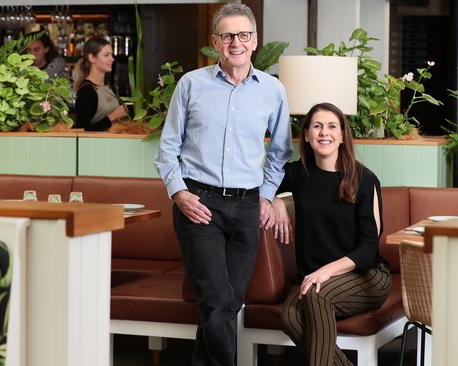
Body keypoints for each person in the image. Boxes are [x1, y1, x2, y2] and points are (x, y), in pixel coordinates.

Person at [153, 3, 292, 365]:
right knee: (216, 299)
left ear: (255, 41)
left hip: (246, 208)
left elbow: (280, 153)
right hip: (199, 205)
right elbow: (167, 148)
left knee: (228, 303)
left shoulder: (272, 91)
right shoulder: (191, 85)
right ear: (215, 41)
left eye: (243, 35)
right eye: (228, 35)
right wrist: (179, 193)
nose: (236, 42)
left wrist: (265, 197)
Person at [272, 102, 392, 366]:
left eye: (331, 126)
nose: (323, 132)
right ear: (306, 134)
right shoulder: (297, 174)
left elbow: (368, 248)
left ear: (341, 135)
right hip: (314, 276)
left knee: (317, 295)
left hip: (366, 275)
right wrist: (276, 201)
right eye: (316, 126)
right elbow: (260, 188)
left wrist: (327, 272)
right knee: (290, 317)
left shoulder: (364, 179)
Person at [74, 36, 127, 131]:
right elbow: (81, 129)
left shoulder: (108, 86)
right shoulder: (87, 91)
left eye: (111, 55)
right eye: (106, 55)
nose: (112, 59)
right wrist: (112, 117)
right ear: (92, 58)